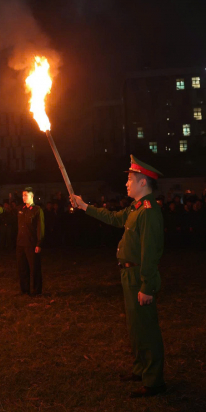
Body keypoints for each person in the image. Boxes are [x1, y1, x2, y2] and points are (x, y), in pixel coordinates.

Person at [71, 155, 166, 398]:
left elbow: (151, 253)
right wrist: (84, 206)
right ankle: (140, 369)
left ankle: (154, 381)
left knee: (146, 328)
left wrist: (147, 286)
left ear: (143, 182)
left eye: (130, 179)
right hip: (128, 274)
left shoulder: (148, 212)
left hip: (138, 275)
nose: (126, 184)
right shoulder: (135, 208)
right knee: (134, 327)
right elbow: (114, 218)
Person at [0, 187, 45, 295]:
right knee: (22, 268)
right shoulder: (20, 209)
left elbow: (40, 228)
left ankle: (37, 291)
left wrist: (39, 243)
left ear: (32, 196)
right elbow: (5, 210)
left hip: (31, 244)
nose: (23, 197)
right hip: (20, 244)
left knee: (34, 269)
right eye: (23, 195)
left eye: (26, 195)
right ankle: (25, 290)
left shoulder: (37, 210)